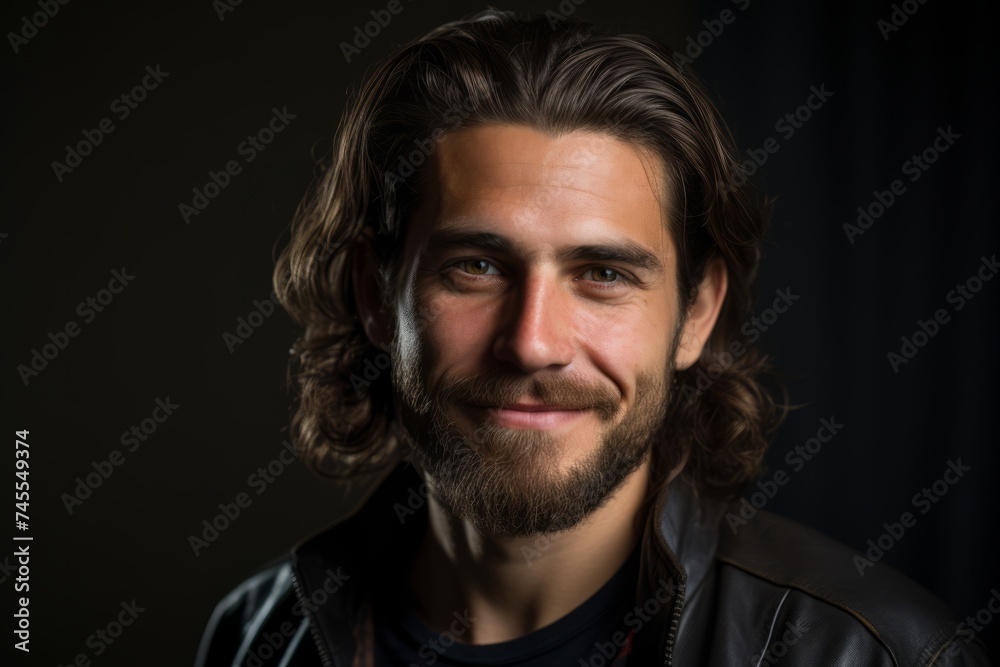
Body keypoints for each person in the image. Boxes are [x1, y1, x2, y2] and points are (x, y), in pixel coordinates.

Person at [194, 9, 992, 666]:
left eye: (603, 273)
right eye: (475, 265)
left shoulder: (873, 655)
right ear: (376, 292)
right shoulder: (257, 637)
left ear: (696, 313)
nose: (533, 343)